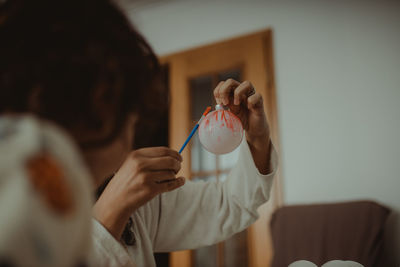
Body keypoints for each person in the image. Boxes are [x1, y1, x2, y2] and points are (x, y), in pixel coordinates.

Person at [0, 0, 278, 266]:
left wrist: (256, 138)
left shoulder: (141, 202)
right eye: (123, 105)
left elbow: (232, 204)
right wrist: (109, 214)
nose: (130, 135)